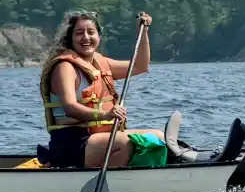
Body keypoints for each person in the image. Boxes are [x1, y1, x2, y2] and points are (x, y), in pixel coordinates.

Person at [38, 11, 165, 169]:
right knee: (130, 143)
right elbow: (70, 107)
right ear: (70, 38)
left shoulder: (100, 62)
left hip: (98, 138)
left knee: (158, 137)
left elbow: (140, 66)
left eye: (91, 32)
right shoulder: (64, 67)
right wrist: (105, 114)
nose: (86, 37)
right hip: (71, 142)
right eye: (79, 33)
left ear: (99, 36)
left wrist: (143, 32)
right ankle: (110, 181)